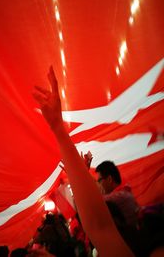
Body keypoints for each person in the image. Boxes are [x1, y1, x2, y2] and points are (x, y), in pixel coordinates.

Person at [33, 66, 134, 257]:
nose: (99, 184)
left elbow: (97, 222)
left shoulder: (122, 198)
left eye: (99, 180)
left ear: (111, 178)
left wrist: (78, 172)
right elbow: (95, 220)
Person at [95, 161, 139, 228]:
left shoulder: (118, 197)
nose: (99, 185)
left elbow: (91, 205)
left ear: (109, 179)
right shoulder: (124, 193)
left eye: (99, 180)